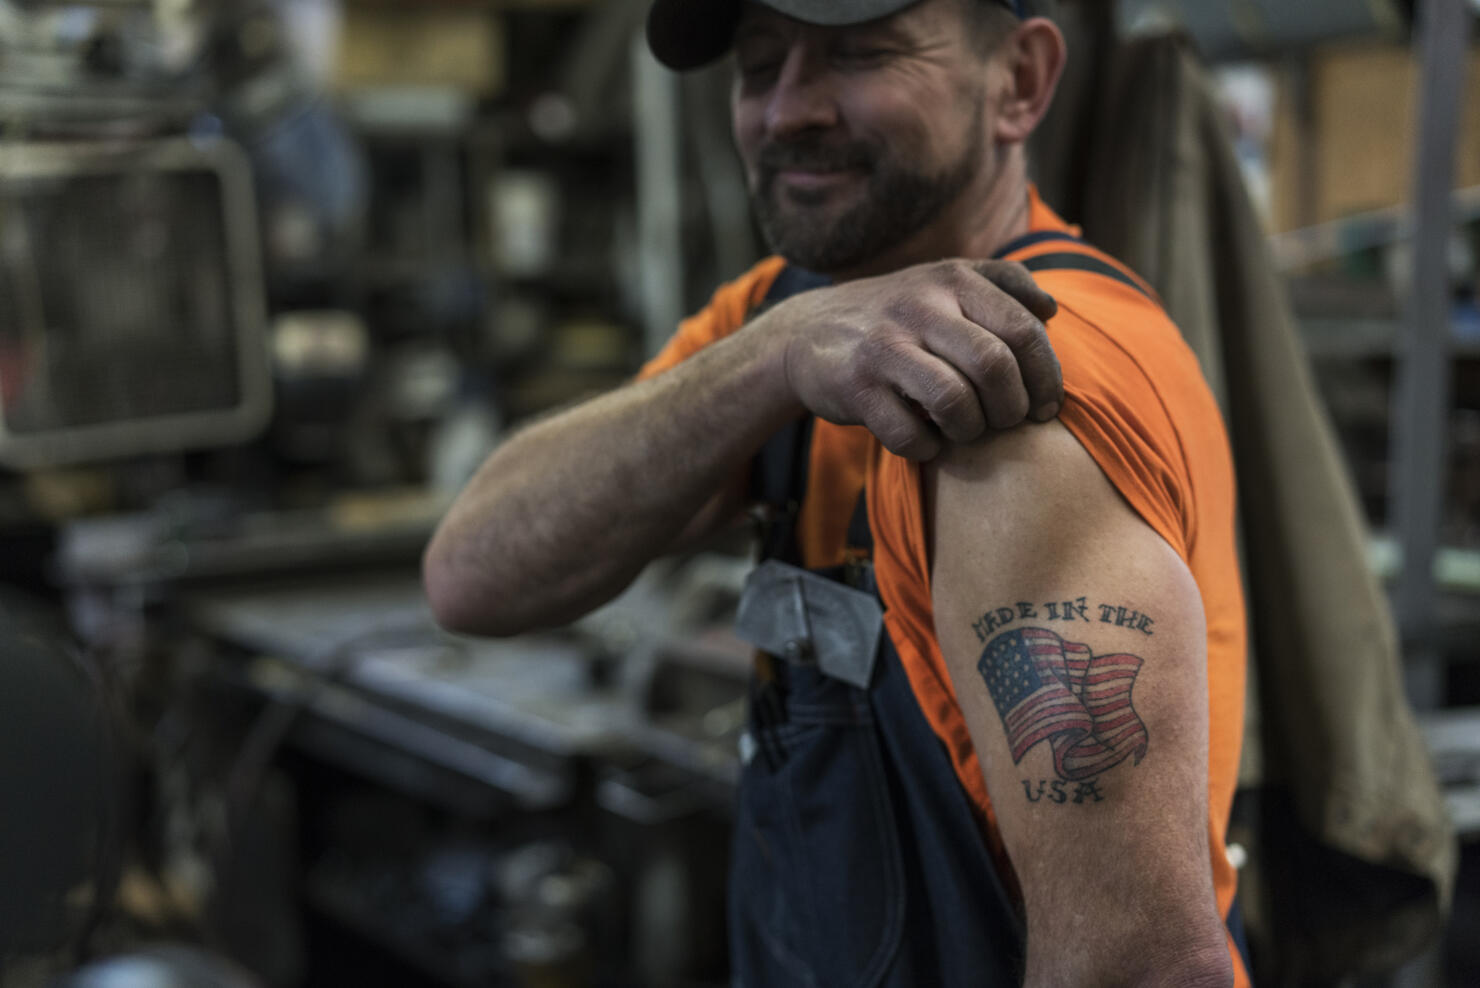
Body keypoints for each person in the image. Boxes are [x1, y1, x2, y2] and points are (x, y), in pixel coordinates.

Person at [425, 1, 1249, 985]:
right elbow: (472, 577)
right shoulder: (788, 315)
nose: (786, 112)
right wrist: (774, 356)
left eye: (859, 53)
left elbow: (1140, 967)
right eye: (758, 64)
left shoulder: (1013, 402)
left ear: (1018, 83)